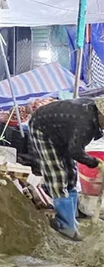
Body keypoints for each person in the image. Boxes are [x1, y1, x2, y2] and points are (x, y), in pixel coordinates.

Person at [27, 97, 104, 241]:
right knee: (58, 175)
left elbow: (74, 148)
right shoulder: (85, 123)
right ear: (100, 114)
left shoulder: (93, 117)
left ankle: (71, 219)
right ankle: (65, 225)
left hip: (61, 132)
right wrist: (95, 163)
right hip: (42, 129)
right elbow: (76, 151)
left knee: (71, 173)